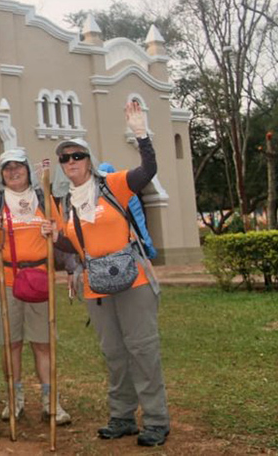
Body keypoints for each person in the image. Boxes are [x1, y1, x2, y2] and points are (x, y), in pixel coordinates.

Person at [52, 101, 169, 447]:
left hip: (133, 281)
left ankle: (156, 420)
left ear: (88, 160)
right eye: (65, 158)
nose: (71, 162)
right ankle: (122, 416)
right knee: (115, 354)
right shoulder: (65, 203)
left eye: (77, 156)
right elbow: (73, 246)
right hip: (96, 286)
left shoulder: (113, 184)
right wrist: (52, 235)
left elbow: (148, 170)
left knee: (142, 349)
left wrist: (140, 134)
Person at [0, 148, 71, 425]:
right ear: (1, 173)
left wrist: (51, 232)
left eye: (18, 166)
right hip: (5, 280)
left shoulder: (42, 196)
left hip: (39, 277)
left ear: (27, 170)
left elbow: (61, 235)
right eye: (7, 168)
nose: (13, 172)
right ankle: (14, 398)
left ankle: (49, 399)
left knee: (42, 344)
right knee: (12, 343)